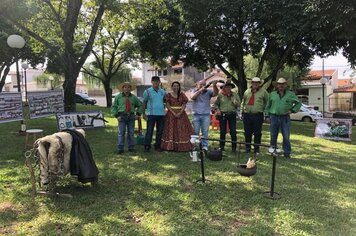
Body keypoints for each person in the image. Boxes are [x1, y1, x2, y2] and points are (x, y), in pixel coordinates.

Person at [266, 77, 301, 158]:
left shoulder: (291, 94)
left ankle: (287, 153)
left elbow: (298, 103)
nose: (281, 85)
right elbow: (268, 106)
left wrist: (292, 110)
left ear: (286, 85)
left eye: (283, 84)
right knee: (273, 135)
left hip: (285, 117)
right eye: (279, 84)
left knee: (286, 136)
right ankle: (273, 151)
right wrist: (267, 116)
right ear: (277, 85)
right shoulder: (272, 94)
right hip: (273, 117)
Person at [161, 81, 194, 151]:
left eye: (177, 86)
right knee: (171, 129)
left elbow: (184, 104)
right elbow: (167, 105)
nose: (176, 87)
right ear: (172, 87)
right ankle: (171, 146)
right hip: (171, 114)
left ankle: (182, 146)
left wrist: (180, 112)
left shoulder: (182, 95)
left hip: (181, 114)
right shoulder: (168, 95)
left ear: (179, 87)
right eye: (174, 86)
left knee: (181, 129)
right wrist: (173, 112)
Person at [111, 82, 142, 154]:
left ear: (131, 89)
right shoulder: (118, 97)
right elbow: (114, 107)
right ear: (122, 88)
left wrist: (138, 114)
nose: (126, 89)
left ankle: (131, 147)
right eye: (125, 87)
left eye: (128, 87)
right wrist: (116, 116)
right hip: (121, 116)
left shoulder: (134, 97)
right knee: (121, 132)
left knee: (131, 132)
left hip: (131, 116)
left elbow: (140, 105)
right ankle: (120, 148)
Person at [241, 77, 269, 154]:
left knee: (257, 133)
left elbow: (268, 102)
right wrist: (242, 111)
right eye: (254, 82)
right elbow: (243, 102)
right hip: (247, 115)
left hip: (258, 115)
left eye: (257, 83)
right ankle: (247, 148)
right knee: (247, 132)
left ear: (260, 84)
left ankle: (256, 149)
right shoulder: (247, 91)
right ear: (251, 83)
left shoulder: (264, 92)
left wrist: (266, 113)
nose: (255, 84)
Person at [191, 80, 219, 151]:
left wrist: (214, 85)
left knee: (205, 131)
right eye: (201, 84)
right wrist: (200, 91)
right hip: (196, 114)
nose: (203, 86)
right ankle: (195, 145)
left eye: (204, 84)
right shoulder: (194, 90)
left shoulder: (208, 91)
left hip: (206, 114)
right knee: (195, 131)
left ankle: (204, 146)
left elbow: (216, 93)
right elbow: (192, 97)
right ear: (197, 85)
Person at [214, 80, 241, 152]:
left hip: (232, 114)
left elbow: (238, 105)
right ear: (224, 88)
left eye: (229, 87)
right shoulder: (220, 95)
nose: (228, 88)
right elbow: (215, 104)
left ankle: (234, 148)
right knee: (222, 131)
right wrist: (218, 110)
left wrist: (233, 99)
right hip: (222, 115)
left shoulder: (235, 94)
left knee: (233, 131)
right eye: (227, 87)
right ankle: (222, 147)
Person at [142, 76, 166, 152]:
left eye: (157, 81)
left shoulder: (163, 91)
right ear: (151, 82)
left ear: (159, 82)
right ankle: (147, 146)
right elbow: (144, 102)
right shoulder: (147, 91)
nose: (156, 82)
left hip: (161, 115)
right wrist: (144, 113)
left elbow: (166, 101)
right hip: (151, 114)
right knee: (149, 131)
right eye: (154, 81)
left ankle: (157, 146)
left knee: (160, 131)